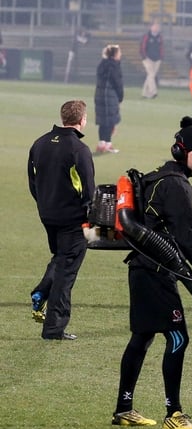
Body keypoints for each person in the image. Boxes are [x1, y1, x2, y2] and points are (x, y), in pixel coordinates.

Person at [111, 116, 192, 429]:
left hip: (142, 269)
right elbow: (188, 236)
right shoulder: (176, 185)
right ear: (181, 151)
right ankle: (174, 413)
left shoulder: (158, 178)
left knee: (143, 336)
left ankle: (124, 408)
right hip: (155, 272)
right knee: (178, 336)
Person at [27, 100, 94, 340]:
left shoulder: (39, 144)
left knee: (61, 258)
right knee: (67, 270)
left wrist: (45, 205)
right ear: (82, 120)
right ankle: (54, 328)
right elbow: (88, 189)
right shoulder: (79, 149)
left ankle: (41, 291)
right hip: (73, 219)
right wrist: (90, 217)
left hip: (48, 215)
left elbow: (33, 183)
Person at [94, 44, 124, 154]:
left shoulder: (102, 64)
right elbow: (118, 83)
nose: (121, 54)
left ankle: (102, 144)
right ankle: (108, 144)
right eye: (119, 52)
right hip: (110, 96)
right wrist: (120, 97)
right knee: (110, 121)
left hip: (100, 95)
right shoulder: (113, 66)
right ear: (115, 54)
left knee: (103, 121)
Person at [140, 21, 162, 99]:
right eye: (154, 26)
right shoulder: (146, 36)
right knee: (151, 75)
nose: (156, 28)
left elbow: (161, 47)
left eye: (157, 27)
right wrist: (144, 57)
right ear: (151, 27)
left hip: (157, 59)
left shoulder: (160, 37)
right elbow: (142, 47)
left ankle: (145, 93)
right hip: (147, 59)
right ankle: (153, 92)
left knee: (150, 76)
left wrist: (161, 57)